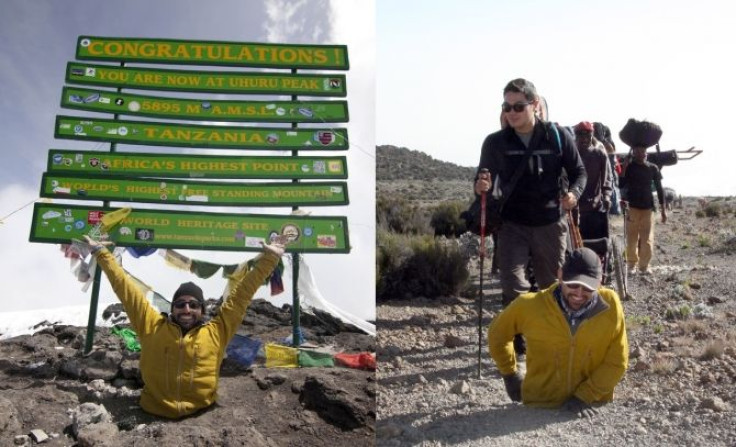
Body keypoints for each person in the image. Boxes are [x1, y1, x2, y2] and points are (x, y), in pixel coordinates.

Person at [83, 235, 284, 419]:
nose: (186, 309)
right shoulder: (151, 325)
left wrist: (269, 259)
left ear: (202, 309)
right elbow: (126, 289)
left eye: (194, 305)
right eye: (180, 304)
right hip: (152, 411)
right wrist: (102, 253)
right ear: (172, 309)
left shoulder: (217, 331)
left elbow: (242, 295)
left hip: (203, 415)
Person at [475, 78, 587, 355]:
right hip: (512, 223)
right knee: (512, 283)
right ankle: (521, 338)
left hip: (550, 222)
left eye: (518, 106)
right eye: (507, 106)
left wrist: (573, 194)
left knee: (551, 285)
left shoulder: (557, 136)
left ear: (534, 105)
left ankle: (550, 336)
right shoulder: (495, 142)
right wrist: (480, 187)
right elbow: (481, 181)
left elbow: (579, 173)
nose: (511, 112)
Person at [488, 247, 628, 418]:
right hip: (539, 407)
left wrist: (585, 396)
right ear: (560, 275)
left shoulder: (610, 305)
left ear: (599, 282)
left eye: (588, 288)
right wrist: (509, 374)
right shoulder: (529, 306)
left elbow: (617, 360)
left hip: (593, 406)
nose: (578, 293)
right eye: (573, 284)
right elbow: (497, 335)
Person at [618, 145, 667, 275]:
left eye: (642, 151)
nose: (640, 153)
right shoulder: (629, 167)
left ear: (646, 153)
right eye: (637, 151)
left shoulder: (653, 168)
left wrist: (663, 209)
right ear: (633, 153)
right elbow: (621, 184)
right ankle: (631, 265)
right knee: (631, 237)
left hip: (648, 208)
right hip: (632, 207)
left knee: (647, 239)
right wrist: (624, 167)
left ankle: (644, 266)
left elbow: (660, 189)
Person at [573, 121, 613, 240]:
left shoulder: (599, 154)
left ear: (592, 136)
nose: (584, 139)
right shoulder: (571, 155)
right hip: (575, 207)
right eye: (581, 136)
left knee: (597, 245)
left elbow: (607, 178)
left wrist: (606, 196)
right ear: (576, 136)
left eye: (587, 136)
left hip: (594, 207)